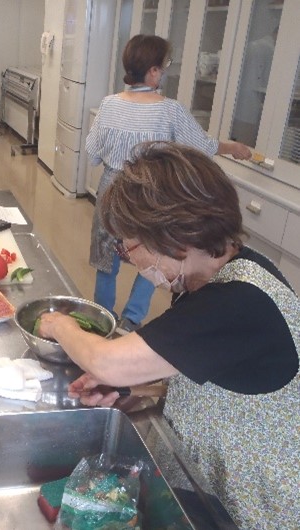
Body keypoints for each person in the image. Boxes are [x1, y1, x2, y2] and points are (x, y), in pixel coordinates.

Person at [38, 141, 299, 530]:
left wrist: (58, 324)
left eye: (129, 248)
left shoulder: (238, 301)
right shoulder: (218, 275)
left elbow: (104, 359)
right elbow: (213, 373)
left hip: (251, 508)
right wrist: (132, 389)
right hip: (206, 483)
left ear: (173, 237)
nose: (132, 261)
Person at [86, 34, 252, 333]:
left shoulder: (109, 104)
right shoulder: (169, 109)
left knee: (105, 256)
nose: (163, 72)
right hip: (153, 195)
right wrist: (232, 147)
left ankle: (101, 319)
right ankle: (131, 321)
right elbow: (201, 146)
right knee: (154, 257)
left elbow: (92, 152)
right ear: (151, 71)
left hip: (112, 192)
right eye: (163, 67)